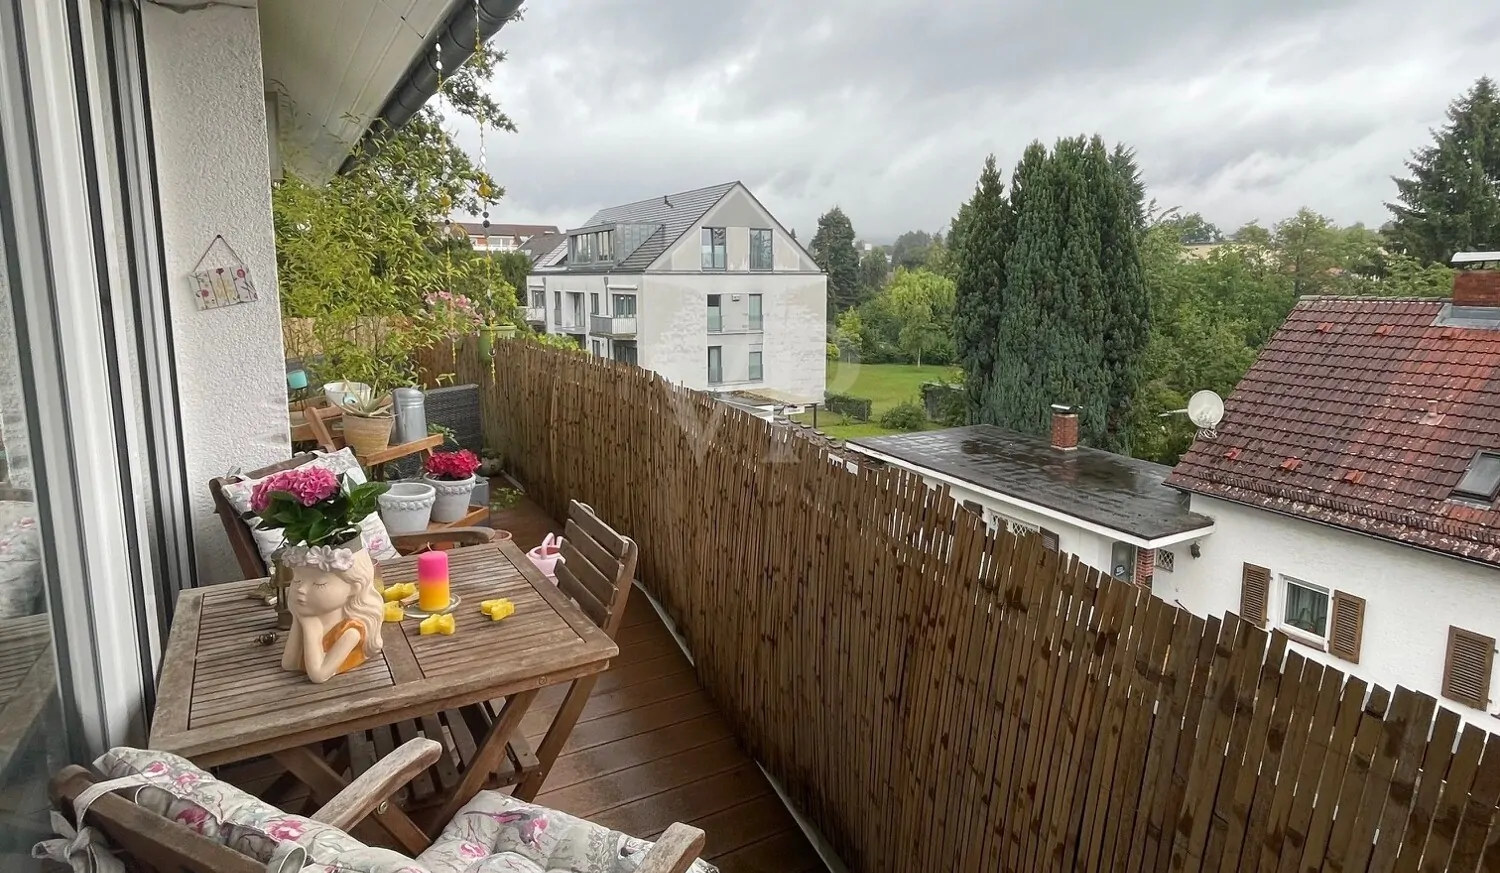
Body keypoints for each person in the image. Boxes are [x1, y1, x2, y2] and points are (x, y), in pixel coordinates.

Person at [280, 543, 384, 684]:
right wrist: (302, 621)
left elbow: (319, 675)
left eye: (319, 583)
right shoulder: (307, 617)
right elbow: (289, 664)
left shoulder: (351, 631)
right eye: (297, 580)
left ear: (353, 588)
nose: (301, 589)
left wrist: (312, 630)